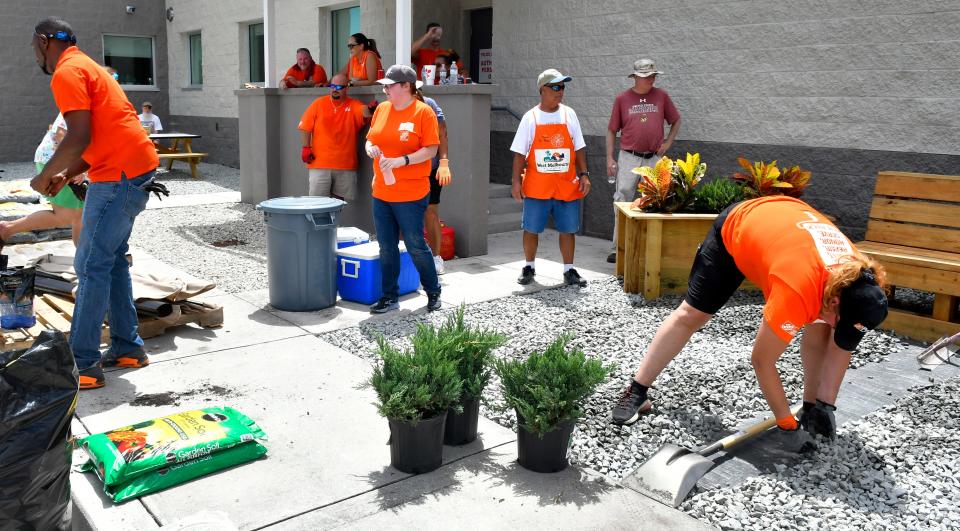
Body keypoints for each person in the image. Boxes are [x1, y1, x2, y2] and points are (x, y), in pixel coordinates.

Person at [611, 196, 890, 450]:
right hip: (738, 227)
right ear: (835, 302)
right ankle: (636, 389)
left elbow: (840, 346)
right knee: (693, 314)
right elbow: (762, 361)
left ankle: (811, 406)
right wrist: (786, 424)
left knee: (820, 325)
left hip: (785, 229)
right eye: (837, 321)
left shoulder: (862, 284)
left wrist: (823, 407)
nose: (835, 327)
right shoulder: (797, 288)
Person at [30, 17, 159, 390]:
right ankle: (128, 348)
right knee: (112, 260)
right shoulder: (89, 66)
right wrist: (69, 173)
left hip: (118, 176)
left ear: (43, 42)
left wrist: (43, 177)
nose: (35, 54)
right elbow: (102, 134)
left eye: (33, 47)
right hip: (133, 169)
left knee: (90, 264)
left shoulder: (67, 72)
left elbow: (79, 133)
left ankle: (83, 364)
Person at [364, 64, 442, 314]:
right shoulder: (383, 109)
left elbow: (431, 150)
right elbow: (370, 138)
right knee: (386, 247)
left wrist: (402, 161)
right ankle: (389, 296)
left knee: (415, 244)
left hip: (411, 193)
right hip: (382, 192)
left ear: (406, 86)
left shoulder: (423, 112)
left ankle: (433, 291)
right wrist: (370, 149)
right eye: (384, 85)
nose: (385, 89)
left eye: (389, 85)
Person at [510, 68, 591, 288]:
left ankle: (569, 270)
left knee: (568, 229)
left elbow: (579, 147)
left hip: (566, 185)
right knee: (531, 228)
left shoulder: (569, 114)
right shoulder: (531, 117)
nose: (560, 91)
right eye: (555, 87)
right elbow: (519, 153)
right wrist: (516, 181)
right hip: (538, 186)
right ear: (542, 90)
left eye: (562, 87)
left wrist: (584, 174)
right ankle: (529, 266)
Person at [605, 59, 681, 263]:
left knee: (658, 199)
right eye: (647, 76)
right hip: (629, 156)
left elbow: (676, 120)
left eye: (653, 76)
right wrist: (610, 158)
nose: (651, 79)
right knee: (622, 200)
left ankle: (653, 246)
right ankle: (618, 247)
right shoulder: (622, 99)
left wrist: (668, 142)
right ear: (636, 77)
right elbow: (612, 129)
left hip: (654, 158)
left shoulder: (662, 96)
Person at [0, 113, 85, 246]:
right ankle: (7, 228)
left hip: (57, 162)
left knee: (77, 215)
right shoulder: (78, 104)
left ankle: (85, 260)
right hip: (55, 163)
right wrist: (71, 169)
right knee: (68, 215)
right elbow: (61, 135)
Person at [298, 73, 371, 200]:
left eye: (339, 87)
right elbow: (305, 127)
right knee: (317, 203)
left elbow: (364, 112)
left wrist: (370, 109)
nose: (335, 90)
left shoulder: (353, 104)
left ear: (347, 88)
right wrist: (306, 148)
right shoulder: (319, 103)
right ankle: (321, 221)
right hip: (319, 163)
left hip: (345, 165)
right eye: (332, 86)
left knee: (338, 203)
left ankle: (334, 221)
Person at [415, 85, 451, 274]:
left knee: (431, 212)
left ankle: (436, 258)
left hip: (432, 168)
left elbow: (442, 133)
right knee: (407, 214)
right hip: (407, 169)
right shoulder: (391, 105)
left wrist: (444, 161)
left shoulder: (429, 104)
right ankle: (410, 258)